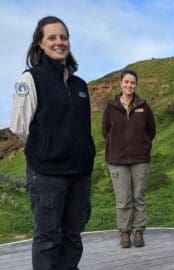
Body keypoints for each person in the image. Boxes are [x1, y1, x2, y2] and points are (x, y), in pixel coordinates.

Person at [9, 16, 96, 270]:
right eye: (52, 37)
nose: (59, 42)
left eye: (64, 37)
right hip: (47, 175)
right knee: (48, 239)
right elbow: (20, 127)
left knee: (73, 236)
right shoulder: (30, 80)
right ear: (40, 43)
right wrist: (47, 148)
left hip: (80, 174)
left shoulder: (81, 85)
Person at [102, 69, 156, 248]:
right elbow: (105, 131)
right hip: (117, 160)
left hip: (140, 159)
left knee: (139, 196)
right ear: (121, 83)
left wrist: (143, 145)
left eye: (132, 83)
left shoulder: (144, 106)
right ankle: (125, 232)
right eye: (126, 82)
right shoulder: (110, 107)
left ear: (136, 85)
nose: (129, 85)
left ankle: (139, 231)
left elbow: (151, 130)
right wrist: (117, 145)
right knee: (123, 198)